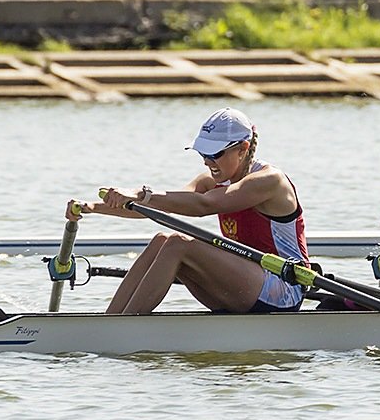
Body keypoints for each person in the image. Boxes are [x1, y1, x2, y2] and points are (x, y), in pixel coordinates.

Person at [68, 107, 310, 314]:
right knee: (162, 239)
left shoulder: (269, 181)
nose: (207, 161)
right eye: (204, 154)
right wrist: (92, 208)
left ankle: (121, 329)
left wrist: (140, 193)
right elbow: (160, 207)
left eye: (215, 154)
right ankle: (110, 320)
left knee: (178, 243)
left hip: (283, 289)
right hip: (247, 284)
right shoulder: (209, 181)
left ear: (243, 148)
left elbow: (204, 206)